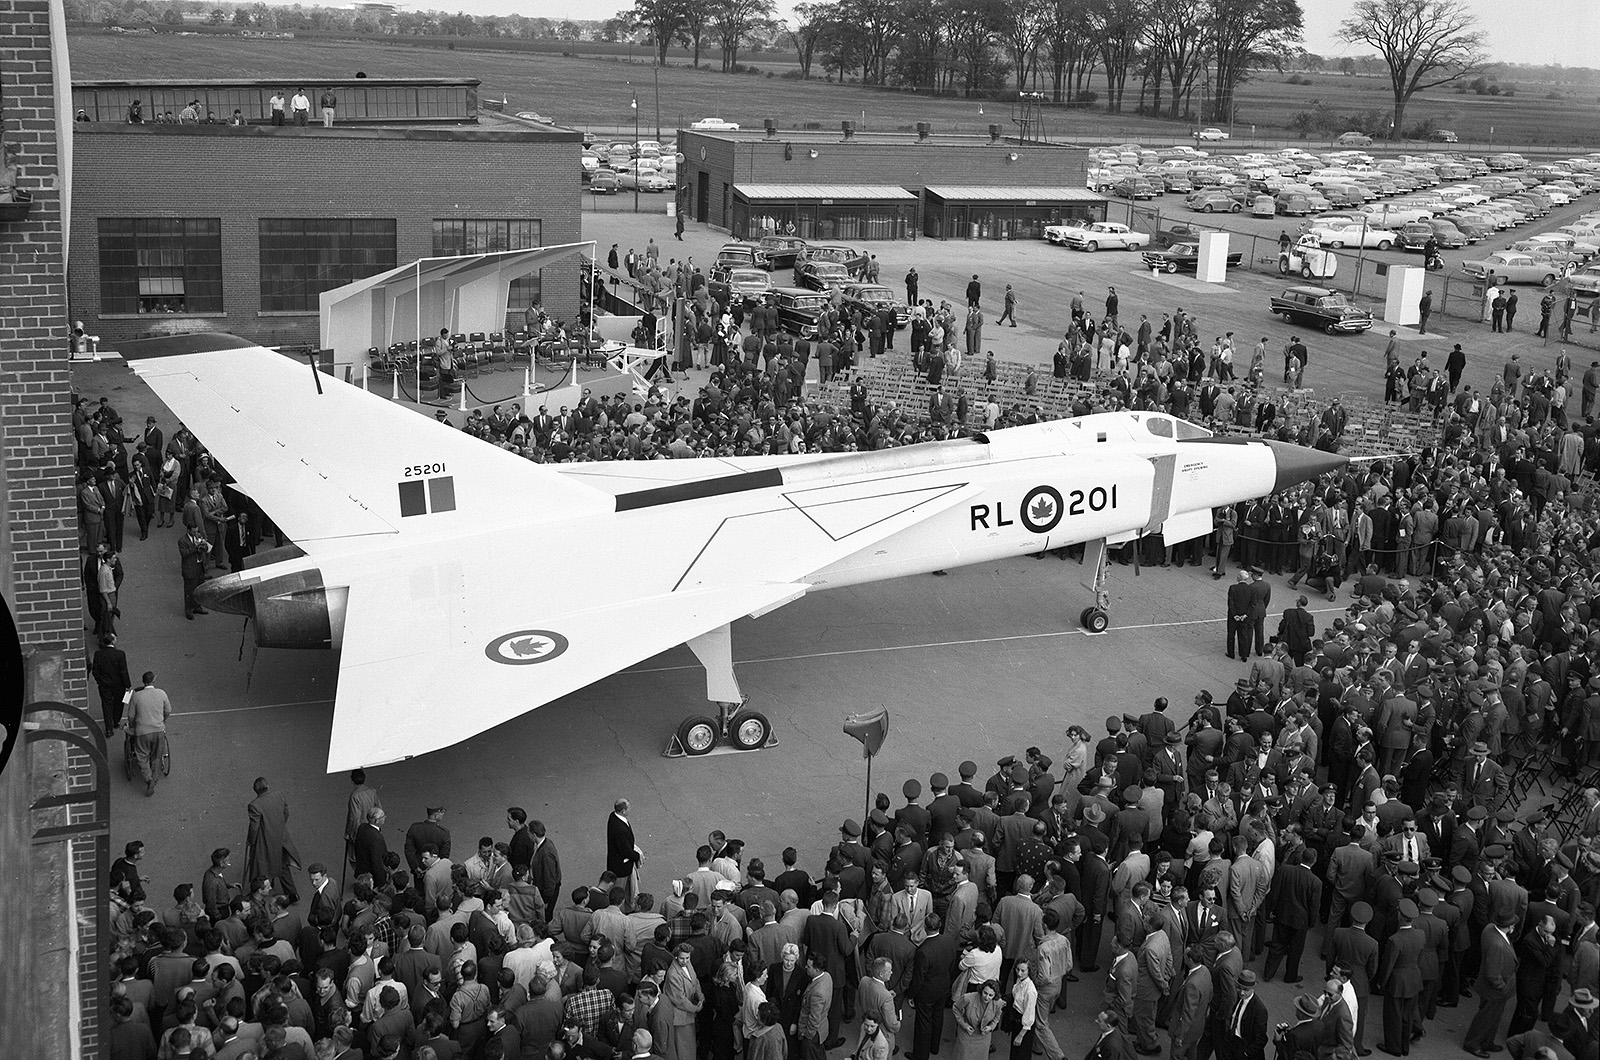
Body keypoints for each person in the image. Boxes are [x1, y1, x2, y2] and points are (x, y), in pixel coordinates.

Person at [246, 777, 303, 903]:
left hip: (265, 840)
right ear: (268, 786)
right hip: (281, 838)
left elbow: (254, 827)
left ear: (256, 791)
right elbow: (285, 814)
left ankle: (257, 892)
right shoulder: (279, 797)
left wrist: (251, 841)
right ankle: (292, 893)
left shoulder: (254, 805)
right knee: (282, 866)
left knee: (261, 866)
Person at [126, 672, 169, 797]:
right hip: (158, 730)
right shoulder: (162, 693)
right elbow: (168, 710)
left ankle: (148, 779)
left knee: (142, 756)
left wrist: (132, 726)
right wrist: (163, 721)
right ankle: (154, 779)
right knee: (156, 755)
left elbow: (131, 716)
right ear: (153, 680)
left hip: (142, 732)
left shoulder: (136, 696)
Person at [91, 632, 133, 737]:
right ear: (113, 641)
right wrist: (127, 684)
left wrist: (99, 680)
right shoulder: (120, 654)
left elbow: (95, 671)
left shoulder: (98, 654)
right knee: (119, 703)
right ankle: (116, 721)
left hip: (104, 684)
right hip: (118, 684)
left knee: (106, 704)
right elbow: (123, 671)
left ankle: (108, 728)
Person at [952, 979, 1003, 1060]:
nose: (987, 997)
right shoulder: (968, 998)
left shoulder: (998, 1003)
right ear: (981, 990)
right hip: (966, 1035)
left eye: (990, 995)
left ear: (995, 995)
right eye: (985, 993)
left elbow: (997, 1016)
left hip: (983, 1037)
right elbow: (956, 1008)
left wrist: (991, 1027)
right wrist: (964, 1024)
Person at [608, 798, 642, 897]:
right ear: (623, 811)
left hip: (615, 861)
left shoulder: (613, 816)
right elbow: (626, 851)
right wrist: (637, 856)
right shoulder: (620, 830)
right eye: (628, 807)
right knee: (619, 892)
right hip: (621, 867)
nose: (630, 809)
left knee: (624, 889)